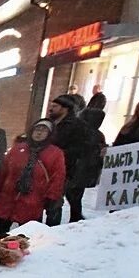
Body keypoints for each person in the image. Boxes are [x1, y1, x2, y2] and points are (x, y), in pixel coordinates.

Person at [0, 119, 66, 236]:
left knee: (26, 235)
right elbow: (4, 170)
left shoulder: (55, 153)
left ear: (49, 134)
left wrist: (52, 197)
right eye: (37, 129)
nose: (39, 133)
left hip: (33, 200)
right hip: (9, 198)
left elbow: (58, 177)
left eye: (44, 130)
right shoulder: (18, 149)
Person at [47, 93, 95, 222]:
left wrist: (60, 153)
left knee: (56, 200)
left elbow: (84, 148)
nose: (51, 109)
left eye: (55, 106)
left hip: (69, 169)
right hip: (49, 167)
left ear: (65, 108)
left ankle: (54, 227)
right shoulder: (50, 123)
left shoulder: (78, 125)